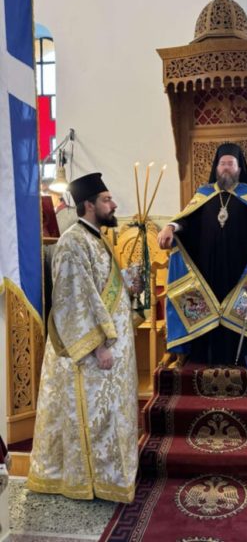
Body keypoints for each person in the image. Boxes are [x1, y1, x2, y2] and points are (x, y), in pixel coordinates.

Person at [28, 173, 140, 503]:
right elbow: (73, 300)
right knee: (91, 418)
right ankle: (93, 481)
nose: (114, 204)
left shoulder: (95, 238)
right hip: (90, 355)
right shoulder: (72, 242)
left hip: (109, 351)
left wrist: (128, 285)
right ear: (89, 205)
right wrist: (98, 346)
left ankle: (114, 475)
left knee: (110, 417)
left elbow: (101, 289)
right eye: (107, 200)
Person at [158, 142, 247, 375]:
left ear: (239, 169)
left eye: (231, 164)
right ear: (216, 167)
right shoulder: (203, 193)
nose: (226, 168)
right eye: (222, 164)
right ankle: (201, 355)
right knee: (208, 308)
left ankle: (243, 355)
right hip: (207, 268)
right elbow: (185, 220)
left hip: (240, 269)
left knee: (240, 309)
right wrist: (170, 227)